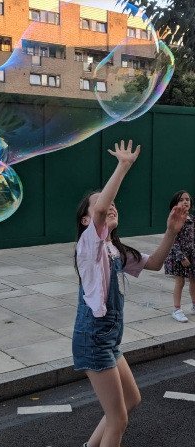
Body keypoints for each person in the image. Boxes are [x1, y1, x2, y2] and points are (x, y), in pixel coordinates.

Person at [72, 140, 187, 447]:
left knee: (131, 400)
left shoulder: (115, 250)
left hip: (108, 339)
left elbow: (156, 263)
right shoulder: (89, 245)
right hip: (94, 338)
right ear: (87, 221)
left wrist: (172, 231)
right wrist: (123, 166)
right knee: (118, 419)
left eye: (112, 204)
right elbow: (99, 210)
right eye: (101, 205)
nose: (109, 207)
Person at [164, 190, 195, 322]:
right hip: (178, 256)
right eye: (181, 200)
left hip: (192, 255)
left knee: (194, 281)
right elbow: (172, 239)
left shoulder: (192, 219)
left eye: (187, 199)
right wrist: (181, 256)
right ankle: (177, 310)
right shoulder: (174, 218)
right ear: (175, 203)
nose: (185, 202)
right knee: (180, 282)